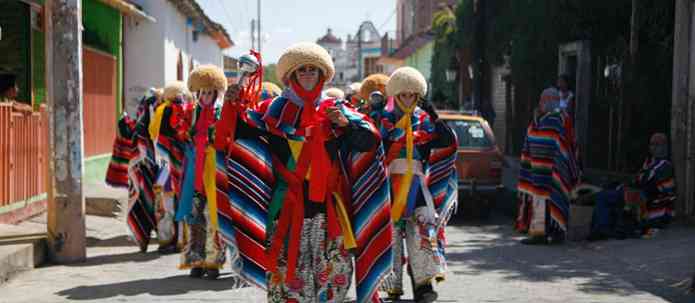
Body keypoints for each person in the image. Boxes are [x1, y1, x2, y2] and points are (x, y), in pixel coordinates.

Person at [217, 42, 392, 303]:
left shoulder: (338, 111)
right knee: (288, 292)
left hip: (330, 216)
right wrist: (233, 106)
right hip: (286, 215)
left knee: (333, 288)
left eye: (313, 69)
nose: (308, 74)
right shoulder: (271, 113)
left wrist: (346, 125)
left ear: (322, 75)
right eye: (302, 70)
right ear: (291, 76)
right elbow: (239, 138)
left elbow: (370, 142)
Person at [377, 67, 457, 303]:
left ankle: (423, 288)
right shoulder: (383, 119)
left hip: (417, 184)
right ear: (396, 95)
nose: (408, 100)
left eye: (413, 95)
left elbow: (447, 141)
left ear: (418, 95)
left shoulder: (425, 121)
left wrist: (433, 114)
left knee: (421, 232)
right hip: (390, 183)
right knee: (391, 235)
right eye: (404, 95)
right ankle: (390, 288)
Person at [176, 65, 228, 279]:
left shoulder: (221, 113)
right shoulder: (190, 112)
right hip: (193, 171)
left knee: (213, 215)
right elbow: (179, 133)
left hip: (214, 170)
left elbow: (227, 138)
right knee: (193, 215)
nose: (206, 96)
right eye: (203, 92)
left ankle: (213, 262)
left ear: (215, 93)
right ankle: (195, 261)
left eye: (209, 92)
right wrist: (186, 136)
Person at [515, 87, 581, 245]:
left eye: (544, 100)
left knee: (555, 196)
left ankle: (556, 233)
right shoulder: (539, 118)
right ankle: (539, 234)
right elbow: (532, 134)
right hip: (538, 168)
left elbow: (567, 143)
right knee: (539, 199)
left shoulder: (560, 118)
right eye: (542, 100)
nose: (542, 103)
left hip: (556, 169)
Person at [105, 88, 164, 253]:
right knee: (152, 201)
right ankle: (152, 237)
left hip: (144, 168)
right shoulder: (144, 123)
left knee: (147, 201)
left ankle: (144, 238)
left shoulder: (139, 122)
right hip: (145, 168)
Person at [588, 133, 676, 240]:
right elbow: (639, 181)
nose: (654, 148)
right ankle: (600, 229)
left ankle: (601, 230)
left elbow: (644, 183)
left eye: (658, 144)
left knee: (603, 196)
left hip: (652, 205)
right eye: (652, 144)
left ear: (665, 146)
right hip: (642, 197)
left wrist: (626, 187)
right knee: (607, 192)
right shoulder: (651, 162)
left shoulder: (664, 165)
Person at [148, 81, 196, 254]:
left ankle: (166, 239)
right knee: (183, 201)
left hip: (164, 164)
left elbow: (154, 136)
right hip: (181, 164)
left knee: (165, 202)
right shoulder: (188, 109)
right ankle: (182, 241)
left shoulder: (161, 111)